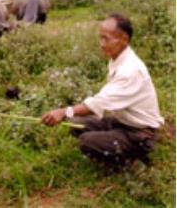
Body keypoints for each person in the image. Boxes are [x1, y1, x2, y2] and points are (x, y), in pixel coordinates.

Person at [41, 13, 164, 168]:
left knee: (87, 141)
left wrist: (63, 112)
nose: (101, 44)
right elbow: (101, 104)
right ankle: (115, 143)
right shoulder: (118, 59)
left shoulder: (131, 71)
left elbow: (98, 103)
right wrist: (68, 114)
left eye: (106, 39)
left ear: (124, 39)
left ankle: (134, 159)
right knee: (75, 124)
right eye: (100, 38)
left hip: (138, 131)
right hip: (121, 121)